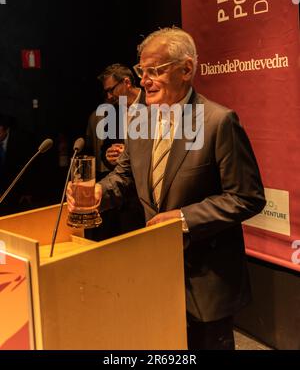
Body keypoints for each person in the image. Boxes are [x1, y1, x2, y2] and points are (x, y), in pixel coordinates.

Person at [68, 27, 266, 349]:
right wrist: (101, 192)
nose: (144, 81)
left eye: (155, 71)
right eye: (141, 71)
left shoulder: (218, 122)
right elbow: (126, 176)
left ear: (186, 70)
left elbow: (246, 196)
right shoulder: (140, 120)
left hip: (205, 283)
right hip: (155, 274)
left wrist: (184, 218)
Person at [85, 63, 146, 239]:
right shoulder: (111, 112)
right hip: (123, 195)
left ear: (126, 82)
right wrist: (109, 156)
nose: (109, 96)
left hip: (146, 194)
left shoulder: (152, 103)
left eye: (111, 90)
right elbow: (105, 148)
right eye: (107, 92)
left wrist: (129, 152)